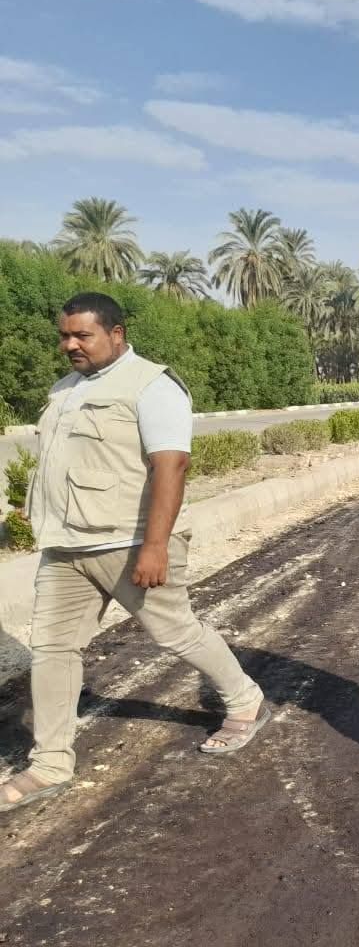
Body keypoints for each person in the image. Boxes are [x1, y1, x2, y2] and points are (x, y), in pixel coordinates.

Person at [1, 293, 269, 815]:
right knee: (52, 649)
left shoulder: (152, 385)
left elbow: (172, 465)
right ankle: (50, 764)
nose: (70, 344)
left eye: (82, 335)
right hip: (66, 546)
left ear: (117, 333)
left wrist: (155, 545)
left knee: (175, 632)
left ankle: (245, 700)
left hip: (128, 541)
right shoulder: (65, 389)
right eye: (65, 335)